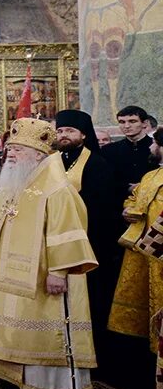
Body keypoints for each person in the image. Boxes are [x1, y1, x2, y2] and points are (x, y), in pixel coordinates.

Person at [0, 118, 98, 389]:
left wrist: (59, 272)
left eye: (18, 150)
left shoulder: (58, 189)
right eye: (10, 148)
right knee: (12, 324)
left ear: (39, 154)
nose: (11, 154)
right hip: (8, 274)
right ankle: (12, 374)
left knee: (43, 327)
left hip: (43, 276)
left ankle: (49, 385)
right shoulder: (13, 184)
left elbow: (67, 231)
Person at [55, 109, 124, 343]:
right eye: (60, 130)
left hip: (89, 238)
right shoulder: (53, 161)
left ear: (83, 135)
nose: (64, 135)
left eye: (70, 131)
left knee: (90, 293)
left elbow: (104, 208)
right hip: (56, 238)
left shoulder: (97, 164)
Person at [109, 129, 163, 356]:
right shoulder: (151, 176)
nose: (150, 147)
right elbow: (133, 199)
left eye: (154, 143)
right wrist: (128, 209)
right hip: (145, 249)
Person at [104, 105, 156, 195]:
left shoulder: (157, 147)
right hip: (119, 201)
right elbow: (105, 178)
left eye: (132, 121)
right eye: (122, 122)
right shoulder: (109, 150)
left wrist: (144, 186)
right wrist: (127, 188)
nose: (126, 126)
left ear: (145, 123)